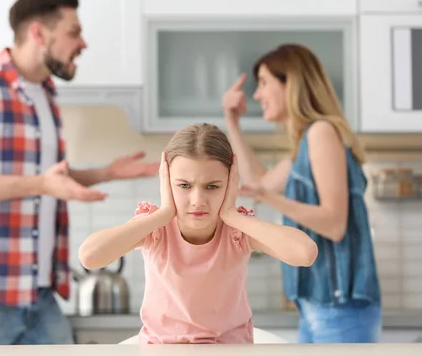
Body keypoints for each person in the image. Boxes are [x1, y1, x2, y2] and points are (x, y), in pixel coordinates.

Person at [0, 0, 159, 346]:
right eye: (74, 32)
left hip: (38, 293)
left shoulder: (46, 93)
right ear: (38, 33)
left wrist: (107, 173)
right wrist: (41, 184)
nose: (82, 43)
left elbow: (47, 177)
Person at [78, 123, 318, 344]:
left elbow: (305, 253)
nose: (198, 200)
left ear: (230, 182)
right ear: (166, 180)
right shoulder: (155, 228)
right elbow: (90, 256)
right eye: (184, 185)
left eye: (212, 186)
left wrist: (233, 214)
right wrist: (163, 214)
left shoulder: (237, 230)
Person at [221, 44, 382, 343]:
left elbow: (334, 224)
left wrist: (269, 198)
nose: (257, 95)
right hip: (317, 307)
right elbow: (262, 182)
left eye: (265, 83)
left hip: (339, 308)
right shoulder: (306, 143)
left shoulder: (321, 132)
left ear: (291, 84)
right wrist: (232, 123)